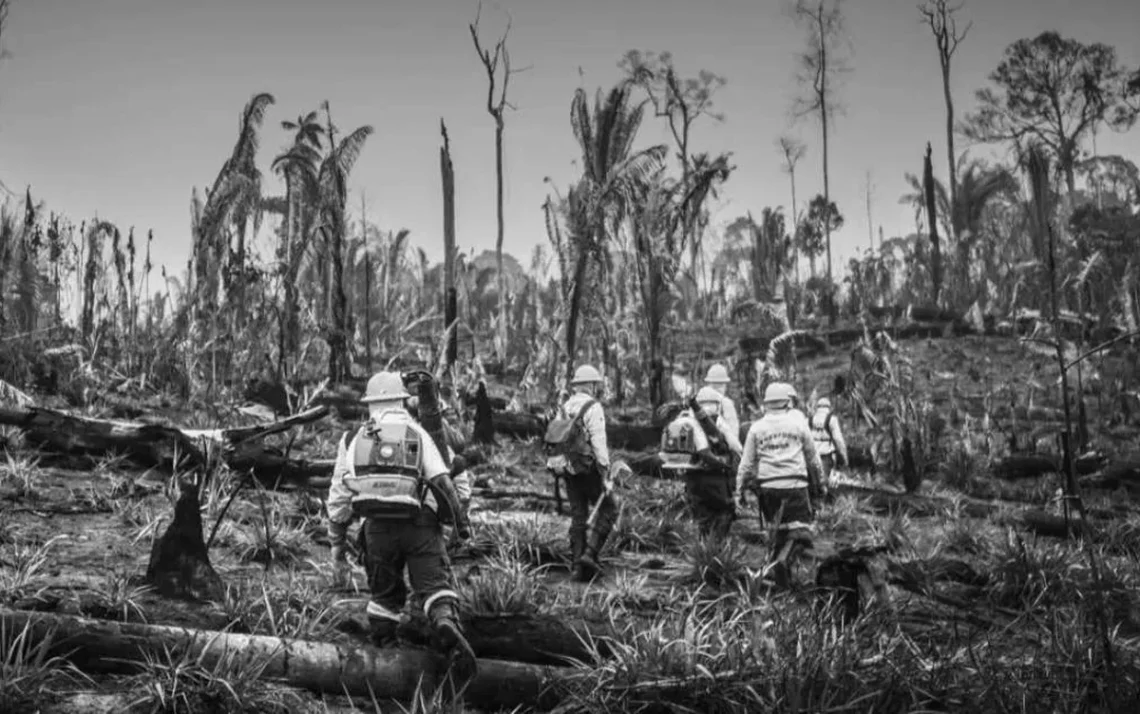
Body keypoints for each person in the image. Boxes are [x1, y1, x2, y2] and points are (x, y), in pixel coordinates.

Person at [325, 371, 475, 670]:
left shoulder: (353, 439)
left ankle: (384, 651)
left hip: (376, 528)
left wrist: (337, 545)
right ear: (403, 401)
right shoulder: (417, 433)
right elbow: (443, 481)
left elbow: (339, 496)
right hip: (419, 524)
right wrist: (461, 525)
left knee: (384, 594)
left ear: (370, 403)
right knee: (434, 585)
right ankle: (444, 621)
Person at [735, 382, 825, 586]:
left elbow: (746, 464)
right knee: (801, 532)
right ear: (787, 403)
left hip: (768, 488)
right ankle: (783, 564)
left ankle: (779, 580)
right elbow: (814, 459)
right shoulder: (798, 424)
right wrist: (821, 483)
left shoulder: (757, 428)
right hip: (795, 485)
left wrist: (738, 491)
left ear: (766, 404)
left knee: (778, 533)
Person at [547, 364, 618, 582]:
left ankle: (577, 567)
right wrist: (605, 473)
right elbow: (598, 443)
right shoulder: (593, 407)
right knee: (609, 509)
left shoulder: (565, 405)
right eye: (596, 384)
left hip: (568, 468)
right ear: (591, 385)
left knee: (578, 515)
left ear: (577, 385)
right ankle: (589, 554)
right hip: (588, 469)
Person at [659, 386, 743, 540]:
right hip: (713, 477)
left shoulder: (683, 420)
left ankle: (704, 550)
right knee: (726, 512)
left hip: (691, 477)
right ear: (716, 404)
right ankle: (715, 551)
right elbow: (712, 451)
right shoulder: (706, 423)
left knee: (703, 517)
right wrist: (727, 466)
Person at [809, 397, 848, 485]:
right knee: (824, 483)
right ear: (829, 407)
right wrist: (844, 458)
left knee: (812, 483)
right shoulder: (831, 419)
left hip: (811, 456)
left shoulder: (810, 419)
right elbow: (839, 441)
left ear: (817, 407)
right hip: (825, 456)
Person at [703, 363, 740, 438]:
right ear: (724, 384)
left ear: (708, 382)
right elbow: (734, 433)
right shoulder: (725, 403)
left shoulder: (697, 402)